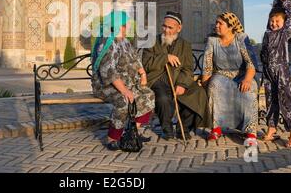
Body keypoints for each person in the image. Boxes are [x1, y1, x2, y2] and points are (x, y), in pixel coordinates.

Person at [91, 10, 155, 151]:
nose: (127, 28)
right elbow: (108, 71)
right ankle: (113, 137)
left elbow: (135, 58)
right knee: (123, 101)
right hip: (106, 85)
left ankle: (134, 132)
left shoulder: (124, 41)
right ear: (117, 25)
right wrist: (125, 91)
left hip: (127, 83)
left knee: (148, 95)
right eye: (125, 25)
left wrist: (142, 73)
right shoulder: (107, 42)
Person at [142, 12, 210, 140]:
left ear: (179, 28)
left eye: (170, 28)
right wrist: (165, 58)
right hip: (158, 79)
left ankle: (183, 128)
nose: (166, 30)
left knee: (198, 93)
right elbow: (146, 64)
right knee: (163, 98)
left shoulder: (185, 45)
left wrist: (182, 84)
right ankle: (167, 128)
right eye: (164, 26)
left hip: (178, 79)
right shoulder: (152, 41)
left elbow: (188, 69)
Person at [201, 12, 259, 141]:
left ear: (230, 26)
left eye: (220, 23)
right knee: (214, 86)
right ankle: (216, 128)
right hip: (222, 75)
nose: (216, 25)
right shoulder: (212, 40)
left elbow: (250, 63)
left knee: (249, 91)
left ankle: (250, 132)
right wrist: (205, 85)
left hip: (242, 75)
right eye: (216, 22)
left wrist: (248, 79)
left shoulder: (241, 38)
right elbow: (207, 66)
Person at [260, 0, 291, 148]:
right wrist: (277, 1)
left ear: (283, 24)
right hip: (268, 73)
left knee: (286, 101)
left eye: (277, 21)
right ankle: (271, 128)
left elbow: (288, 18)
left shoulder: (285, 33)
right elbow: (263, 53)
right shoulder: (267, 33)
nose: (274, 23)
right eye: (272, 20)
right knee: (270, 100)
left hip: (281, 72)